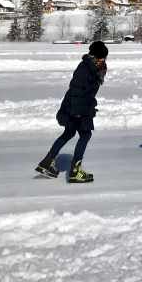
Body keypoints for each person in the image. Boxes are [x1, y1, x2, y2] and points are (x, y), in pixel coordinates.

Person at [35, 41, 108, 183]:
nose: (104, 60)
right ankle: (75, 171)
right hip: (77, 108)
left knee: (69, 133)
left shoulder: (92, 67)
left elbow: (86, 92)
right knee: (85, 134)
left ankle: (47, 162)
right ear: (96, 56)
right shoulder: (86, 68)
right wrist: (78, 111)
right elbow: (76, 91)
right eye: (102, 57)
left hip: (77, 106)